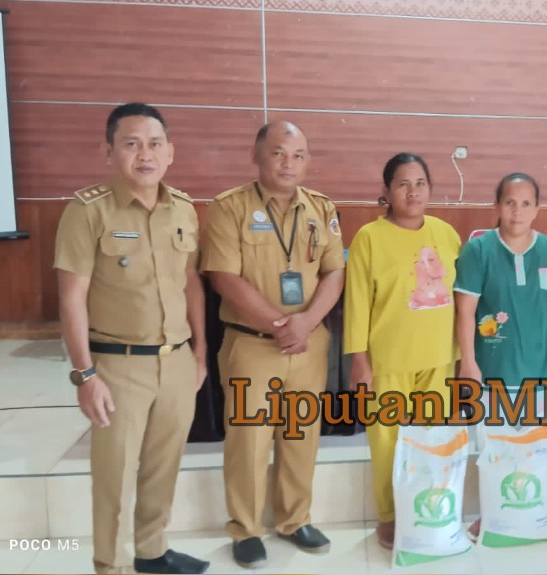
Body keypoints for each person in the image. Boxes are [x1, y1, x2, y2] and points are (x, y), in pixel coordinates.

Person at [54, 102, 210, 574]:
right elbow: (71, 299)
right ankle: (111, 565)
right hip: (117, 365)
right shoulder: (88, 211)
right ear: (109, 151)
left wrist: (200, 352)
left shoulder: (183, 208)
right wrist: (85, 375)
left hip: (177, 360)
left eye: (155, 144)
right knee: (114, 477)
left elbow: (190, 282)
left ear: (170, 152)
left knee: (164, 466)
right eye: (132, 144)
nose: (145, 154)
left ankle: (152, 551)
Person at [200, 121, 345, 568]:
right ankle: (245, 529)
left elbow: (334, 272)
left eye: (298, 155)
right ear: (257, 155)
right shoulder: (229, 208)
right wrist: (282, 325)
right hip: (252, 345)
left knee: (301, 436)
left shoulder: (321, 208)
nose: (288, 163)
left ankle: (294, 520)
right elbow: (224, 277)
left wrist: (307, 323)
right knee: (248, 440)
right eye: (279, 153)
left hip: (308, 345)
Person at [452, 172, 547, 540]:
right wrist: (468, 361)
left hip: (544, 370)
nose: (517, 211)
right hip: (493, 370)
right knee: (494, 449)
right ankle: (491, 516)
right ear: (497, 205)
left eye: (526, 203)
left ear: (537, 209)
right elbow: (465, 311)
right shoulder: (478, 251)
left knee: (539, 449)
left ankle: (535, 515)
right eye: (510, 202)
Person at [343, 152, 462, 550]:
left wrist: (463, 353)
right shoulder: (369, 238)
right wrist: (359, 358)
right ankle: (390, 516)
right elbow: (357, 300)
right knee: (387, 444)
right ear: (387, 191)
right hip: (387, 361)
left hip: (438, 358)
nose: (413, 192)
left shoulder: (446, 234)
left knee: (431, 441)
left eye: (420, 183)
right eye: (403, 184)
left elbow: (460, 296)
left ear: (430, 188)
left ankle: (426, 510)